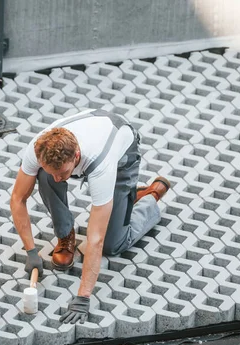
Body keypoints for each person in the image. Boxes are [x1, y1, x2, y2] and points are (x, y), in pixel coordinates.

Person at [10, 109, 170, 324]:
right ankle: (66, 237)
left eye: (64, 173)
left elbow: (96, 239)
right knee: (45, 177)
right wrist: (31, 250)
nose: (59, 179)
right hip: (94, 131)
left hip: (123, 157)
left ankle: (148, 197)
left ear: (76, 157)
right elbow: (18, 199)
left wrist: (83, 297)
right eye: (54, 171)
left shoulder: (100, 165)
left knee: (113, 244)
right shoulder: (38, 148)